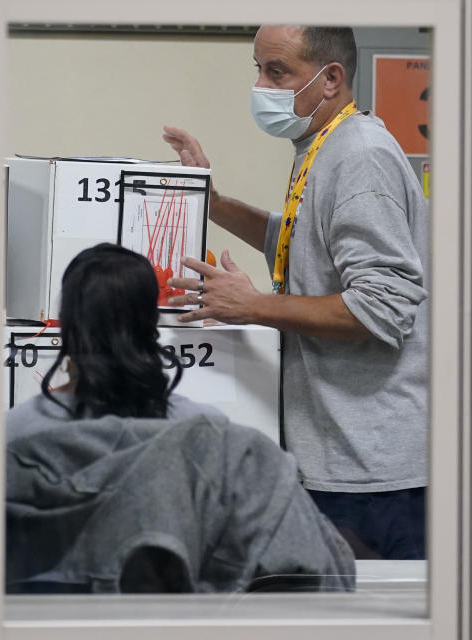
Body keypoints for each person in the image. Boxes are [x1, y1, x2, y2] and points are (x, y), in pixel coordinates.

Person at [162, 25, 429, 560]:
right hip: (334, 457)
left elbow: (384, 307)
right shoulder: (322, 146)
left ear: (330, 79)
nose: (261, 84)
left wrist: (252, 305)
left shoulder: (360, 157)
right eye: (258, 68)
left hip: (372, 473)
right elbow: (300, 243)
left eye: (277, 71)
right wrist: (212, 202)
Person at [2, 243, 355, 592]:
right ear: (150, 327)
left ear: (67, 327)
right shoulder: (218, 443)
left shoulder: (10, 437)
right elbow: (322, 569)